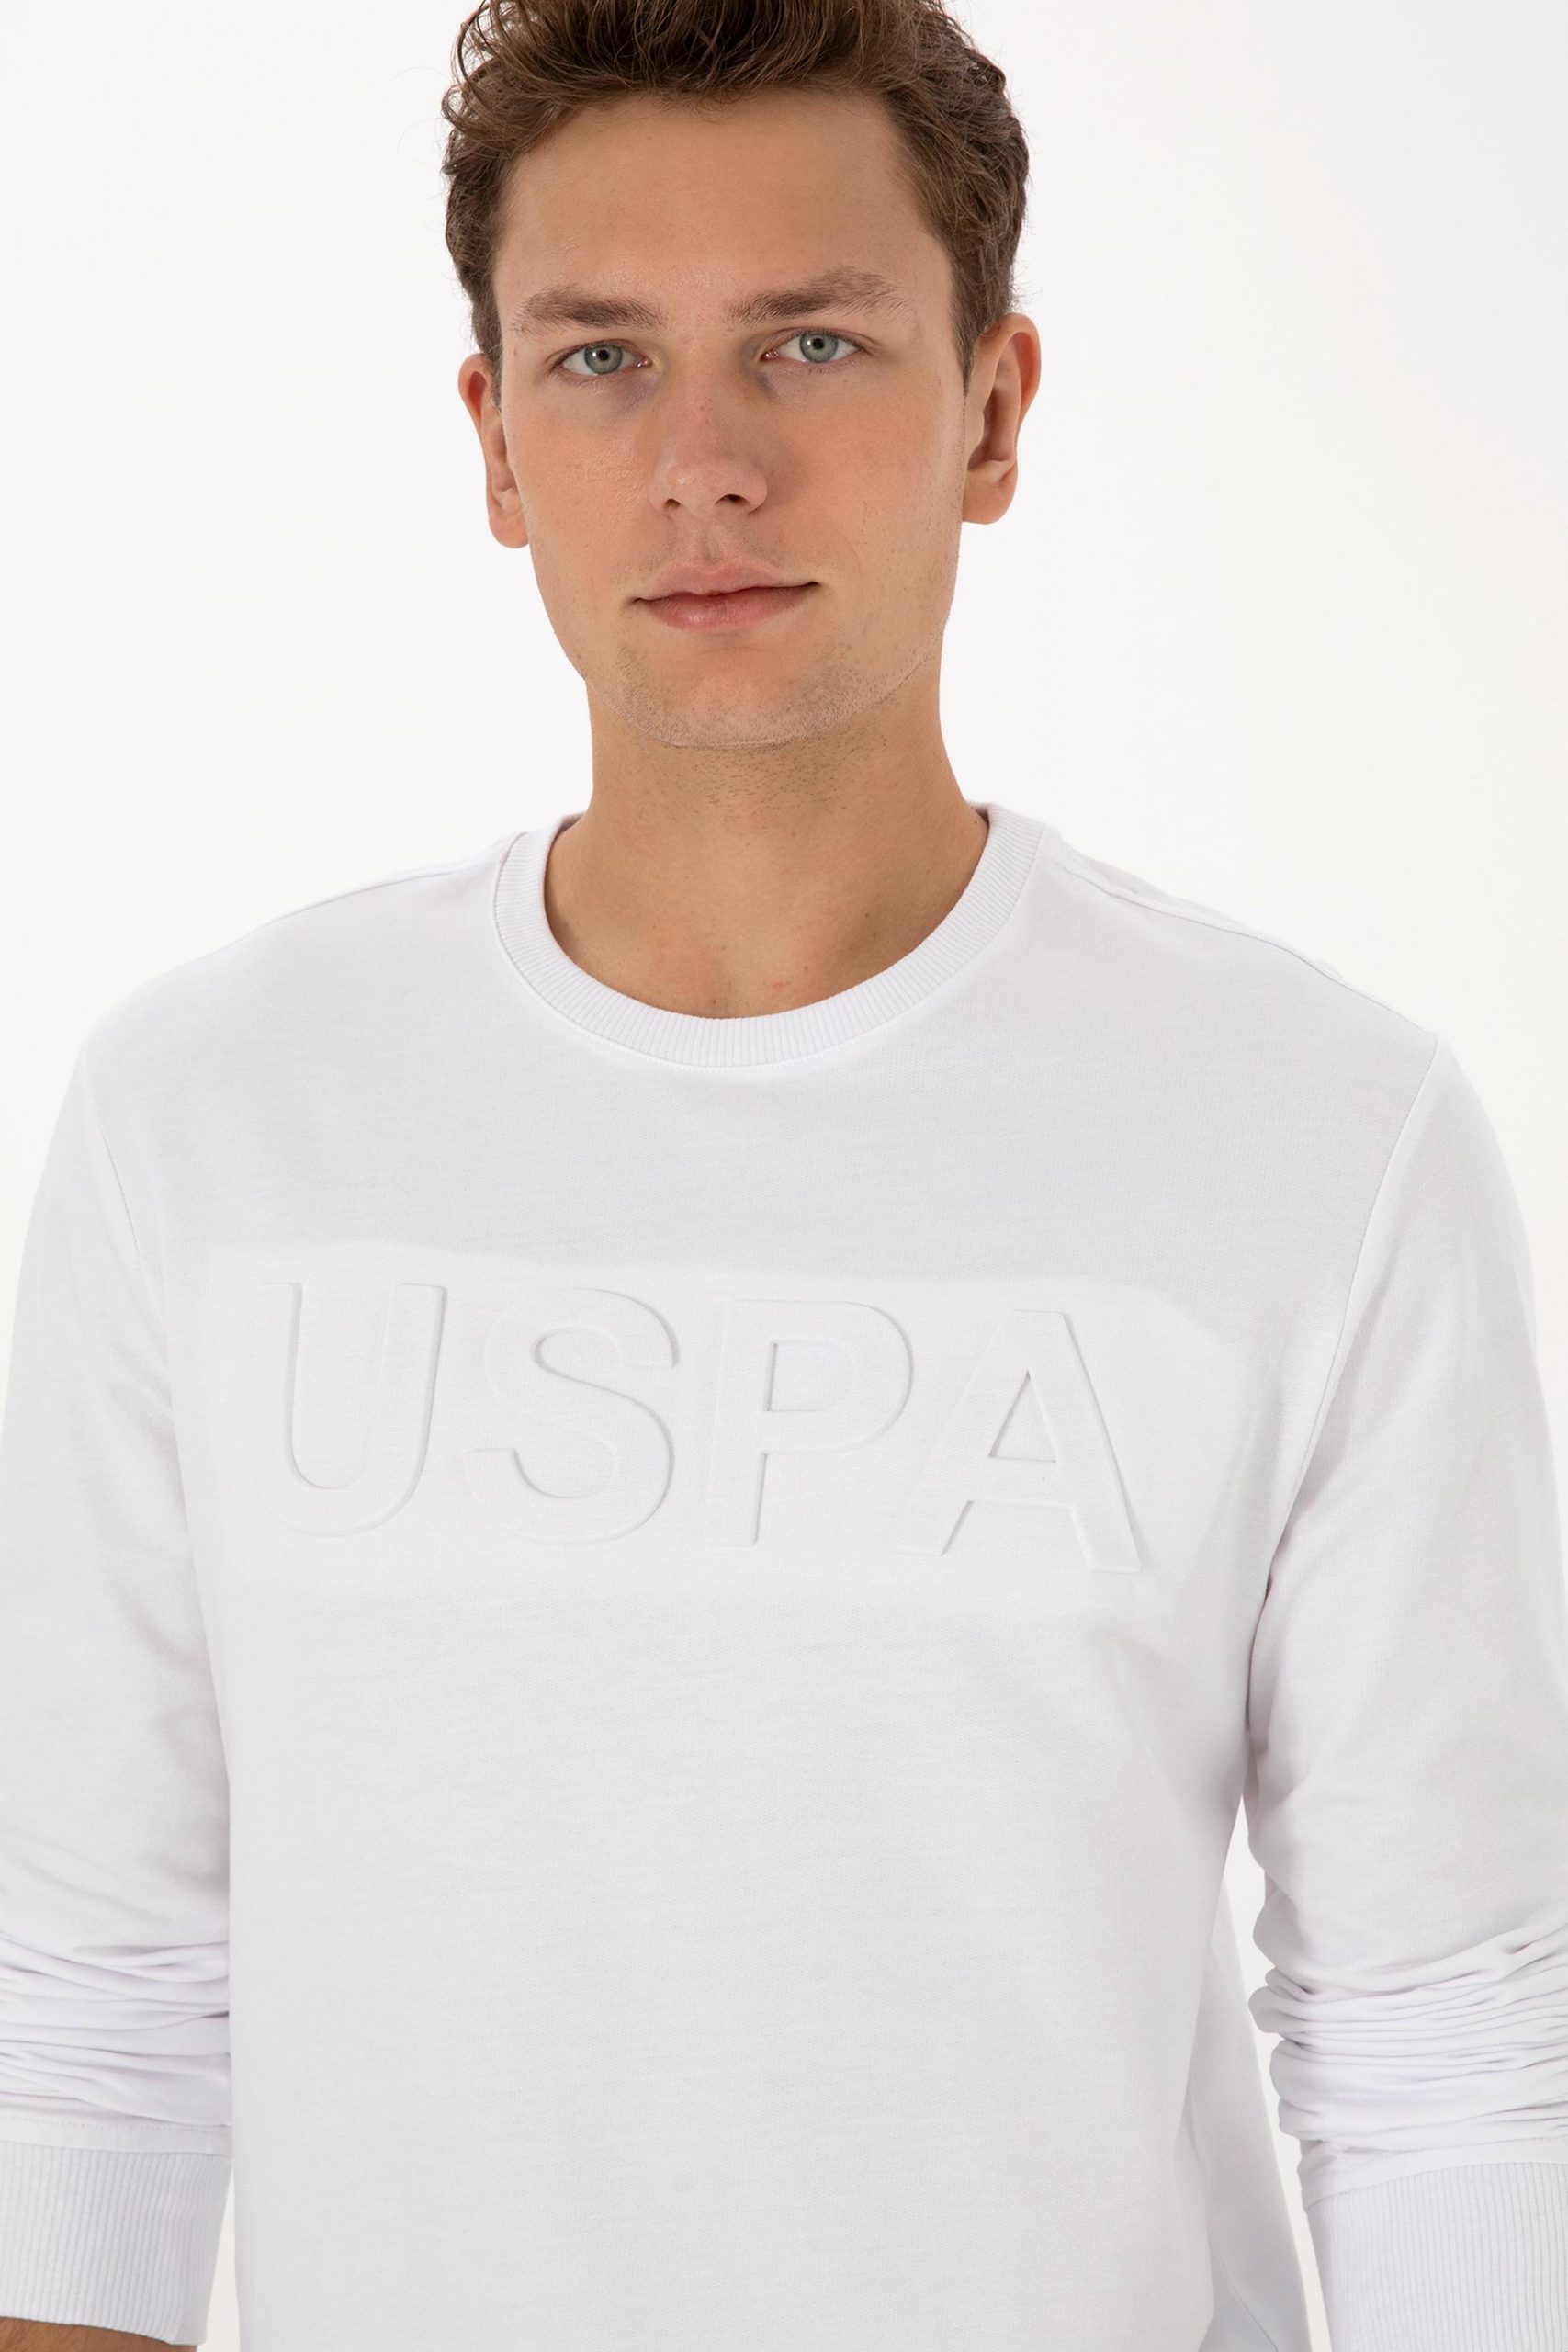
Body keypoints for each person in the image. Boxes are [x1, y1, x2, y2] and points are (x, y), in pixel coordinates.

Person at [3, 0, 1566, 2345]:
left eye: (810, 343)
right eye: (602, 359)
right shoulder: (210, 1117)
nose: (703, 463)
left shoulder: (1315, 1133)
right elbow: (83, 2011)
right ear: (495, 441)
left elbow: (1452, 2036)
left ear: (991, 411)